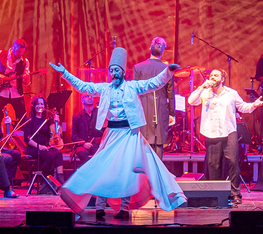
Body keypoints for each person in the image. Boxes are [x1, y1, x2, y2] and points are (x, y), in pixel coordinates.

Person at [49, 47, 186, 219]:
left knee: (127, 172)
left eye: (116, 70)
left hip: (129, 134)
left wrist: (168, 72)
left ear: (122, 72)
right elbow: (83, 86)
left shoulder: (133, 86)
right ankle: (100, 207)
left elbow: (153, 83)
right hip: (111, 134)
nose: (113, 73)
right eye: (111, 70)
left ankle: (124, 208)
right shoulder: (105, 88)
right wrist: (65, 74)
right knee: (103, 169)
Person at [188, 69, 263, 204]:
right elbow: (191, 101)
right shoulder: (205, 93)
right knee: (213, 164)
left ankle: (235, 193)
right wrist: (202, 87)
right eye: (211, 75)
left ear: (222, 79)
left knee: (233, 162)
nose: (213, 77)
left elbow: (242, 107)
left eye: (216, 75)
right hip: (211, 132)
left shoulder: (231, 93)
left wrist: (254, 105)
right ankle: (216, 194)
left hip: (229, 131)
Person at [134, 36, 176, 159]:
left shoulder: (138, 67)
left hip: (143, 109)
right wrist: (172, 113)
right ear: (162, 52)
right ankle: (158, 169)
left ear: (149, 49)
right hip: (161, 109)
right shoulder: (167, 69)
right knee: (159, 143)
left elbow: (134, 92)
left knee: (144, 143)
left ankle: (146, 170)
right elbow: (170, 94)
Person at [22, 95, 65, 185]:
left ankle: (60, 178)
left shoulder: (46, 120)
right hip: (33, 148)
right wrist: (39, 146)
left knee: (58, 153)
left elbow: (50, 135)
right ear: (34, 106)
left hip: (44, 147)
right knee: (49, 156)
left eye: (42, 104)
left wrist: (56, 123)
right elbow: (27, 139)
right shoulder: (29, 120)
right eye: (37, 104)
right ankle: (45, 181)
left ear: (44, 106)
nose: (40, 106)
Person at [0, 38, 30, 120]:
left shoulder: (25, 61)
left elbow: (26, 82)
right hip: (0, 92)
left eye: (22, 52)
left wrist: (27, 77)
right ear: (13, 47)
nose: (20, 54)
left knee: (23, 118)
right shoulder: (1, 54)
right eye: (18, 51)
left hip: (16, 93)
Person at [71, 92, 104, 165]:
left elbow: (104, 131)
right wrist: (84, 143)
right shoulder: (77, 116)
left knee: (103, 153)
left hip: (97, 144)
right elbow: (74, 136)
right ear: (82, 100)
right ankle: (91, 168)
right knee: (81, 153)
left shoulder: (100, 114)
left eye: (91, 96)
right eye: (87, 96)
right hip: (83, 145)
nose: (90, 97)